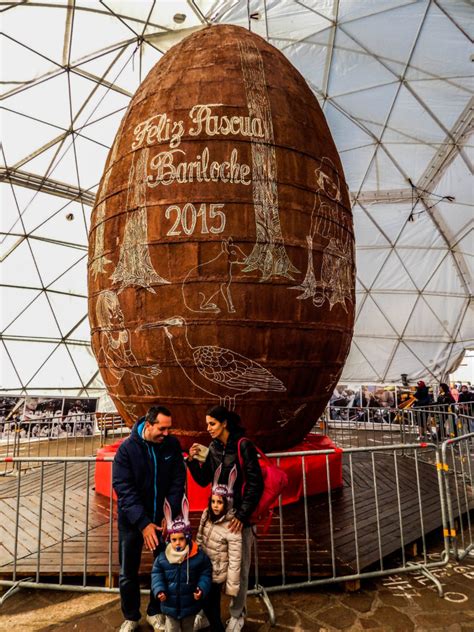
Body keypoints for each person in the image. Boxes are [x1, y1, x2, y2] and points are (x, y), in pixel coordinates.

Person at [187, 405, 263, 632]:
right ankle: (209, 612)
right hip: (216, 517)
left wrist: (242, 514)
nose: (208, 428)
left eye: (212, 423)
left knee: (239, 567)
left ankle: (237, 613)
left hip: (238, 518)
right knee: (209, 566)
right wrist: (191, 461)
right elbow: (203, 480)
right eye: (207, 424)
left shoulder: (243, 446)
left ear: (224, 423)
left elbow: (255, 482)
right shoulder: (213, 448)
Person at [113, 406, 186, 632]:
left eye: (169, 429)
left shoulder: (171, 446)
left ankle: (155, 612)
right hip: (133, 523)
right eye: (162, 428)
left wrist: (170, 513)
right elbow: (124, 489)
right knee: (128, 572)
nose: (166, 433)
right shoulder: (127, 450)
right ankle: (131, 616)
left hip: (162, 520)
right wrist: (143, 523)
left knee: (163, 568)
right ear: (149, 424)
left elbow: (177, 480)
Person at [151, 497, 212, 632]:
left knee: (188, 628)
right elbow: (156, 575)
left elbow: (206, 572)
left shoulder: (197, 556)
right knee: (171, 629)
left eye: (181, 539)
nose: (177, 543)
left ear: (188, 538)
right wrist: (159, 590)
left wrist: (201, 587)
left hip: (190, 605)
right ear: (169, 540)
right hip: (169, 606)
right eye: (174, 540)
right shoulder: (163, 558)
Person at [196, 465, 242, 632]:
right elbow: (199, 538)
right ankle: (213, 625)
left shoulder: (231, 526)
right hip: (204, 570)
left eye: (219, 502)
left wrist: (231, 585)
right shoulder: (206, 515)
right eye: (213, 501)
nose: (215, 505)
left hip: (217, 573)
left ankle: (217, 628)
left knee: (208, 603)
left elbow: (236, 558)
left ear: (226, 503)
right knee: (210, 604)